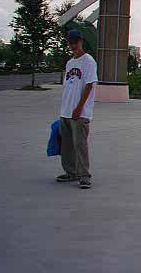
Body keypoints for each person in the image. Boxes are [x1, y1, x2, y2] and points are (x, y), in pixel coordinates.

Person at [56, 29, 98, 189]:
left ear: (81, 41)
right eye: (70, 42)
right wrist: (65, 109)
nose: (73, 45)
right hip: (65, 111)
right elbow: (68, 86)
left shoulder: (88, 61)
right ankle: (70, 172)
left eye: (76, 42)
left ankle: (84, 175)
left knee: (79, 144)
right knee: (66, 145)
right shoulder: (69, 63)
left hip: (80, 113)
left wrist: (79, 108)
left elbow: (89, 85)